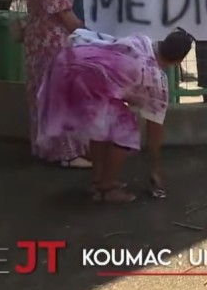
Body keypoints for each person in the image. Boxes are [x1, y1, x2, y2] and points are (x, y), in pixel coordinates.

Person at [36, 28, 193, 203]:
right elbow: (154, 130)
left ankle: (99, 181)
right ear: (179, 61)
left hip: (66, 65)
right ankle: (106, 188)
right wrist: (154, 167)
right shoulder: (156, 81)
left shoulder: (141, 41)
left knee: (101, 127)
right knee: (126, 131)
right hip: (82, 82)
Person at [21, 0, 96, 168]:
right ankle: (68, 154)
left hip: (36, 42)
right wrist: (98, 33)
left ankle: (46, 148)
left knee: (41, 95)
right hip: (55, 45)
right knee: (63, 95)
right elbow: (71, 23)